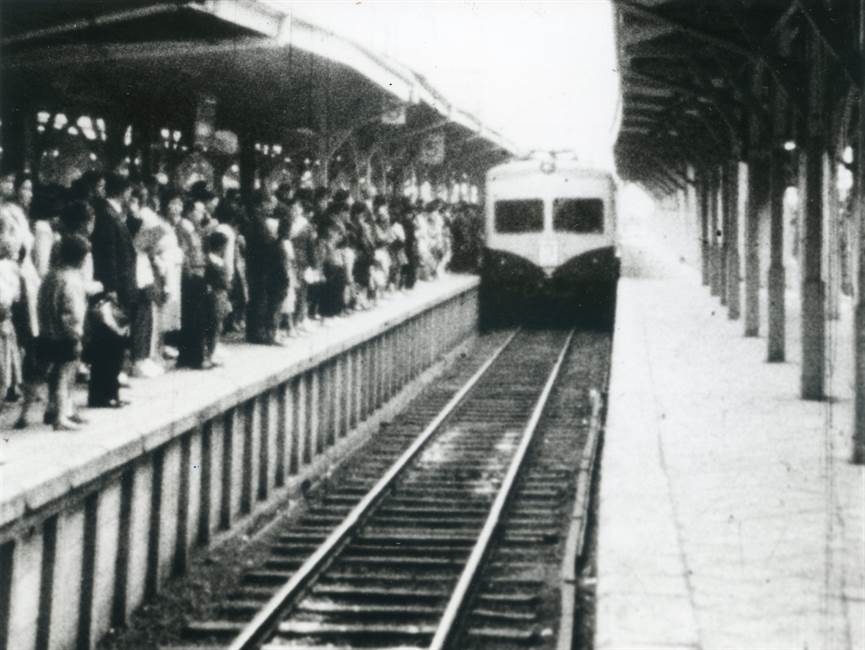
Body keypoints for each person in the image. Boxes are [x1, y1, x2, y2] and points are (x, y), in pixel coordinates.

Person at [88, 174, 134, 407]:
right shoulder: (108, 216)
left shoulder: (111, 214)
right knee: (109, 341)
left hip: (118, 286)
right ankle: (104, 394)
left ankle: (110, 391)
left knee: (115, 341)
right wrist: (113, 288)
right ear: (124, 191)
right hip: (114, 288)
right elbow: (109, 255)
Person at [37, 234, 89, 430]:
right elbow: (72, 312)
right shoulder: (71, 280)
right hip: (64, 334)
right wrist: (77, 334)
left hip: (47, 331)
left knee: (55, 375)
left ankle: (55, 410)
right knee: (63, 375)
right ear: (80, 258)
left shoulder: (51, 276)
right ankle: (61, 416)